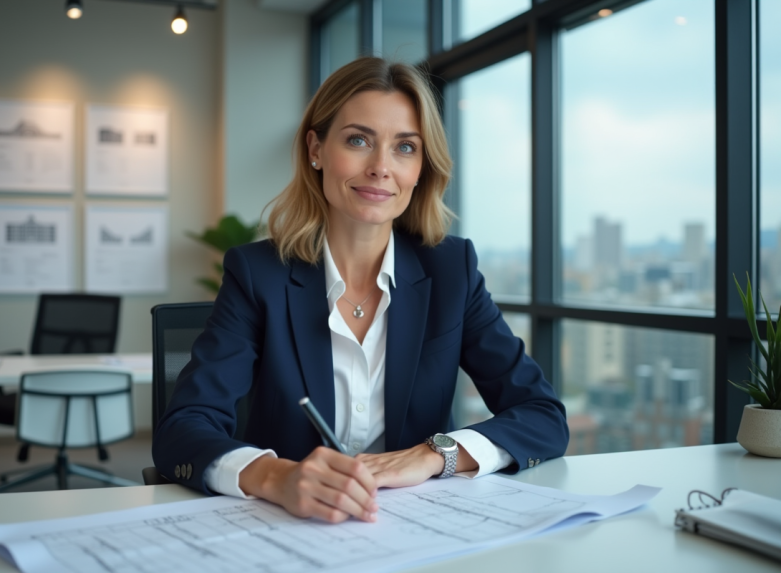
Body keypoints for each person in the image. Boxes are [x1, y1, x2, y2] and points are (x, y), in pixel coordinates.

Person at [153, 56, 568, 525]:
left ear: (421, 168)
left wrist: (435, 454)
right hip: (291, 528)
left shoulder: (452, 270)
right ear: (316, 149)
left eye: (405, 148)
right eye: (358, 140)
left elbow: (542, 415)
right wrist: (275, 477)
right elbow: (182, 431)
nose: (381, 168)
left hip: (418, 529)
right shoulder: (258, 274)